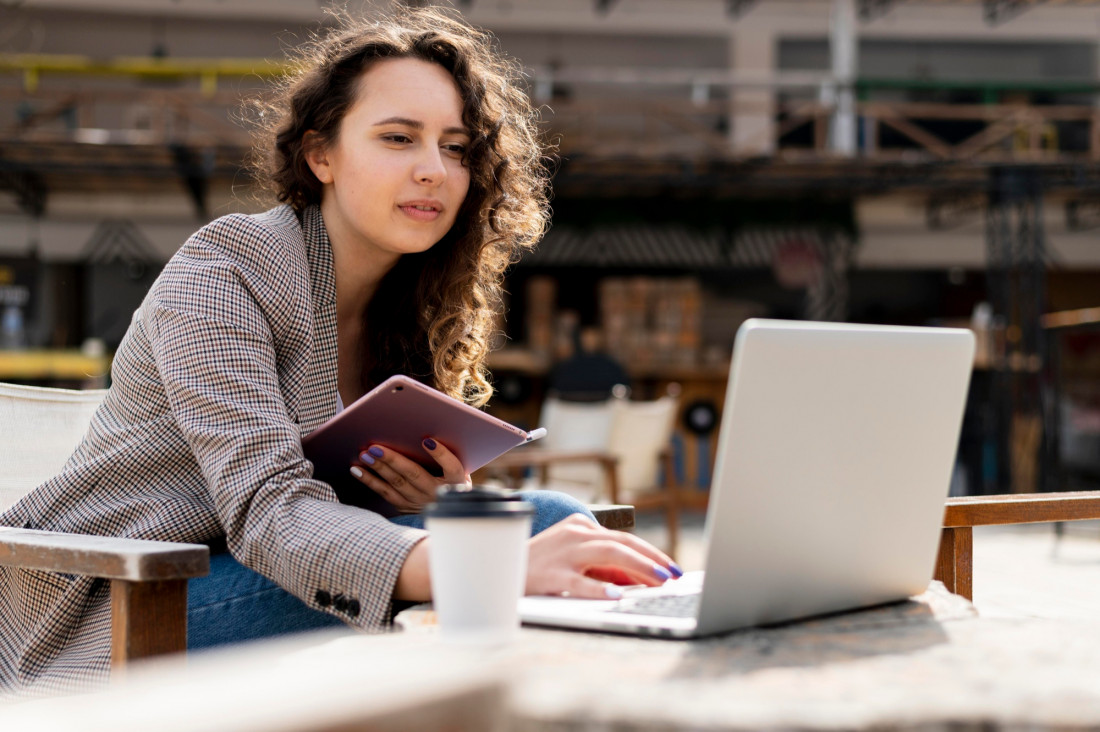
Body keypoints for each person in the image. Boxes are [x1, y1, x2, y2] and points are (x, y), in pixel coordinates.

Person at [0, 6, 680, 695]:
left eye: (456, 147)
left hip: (280, 575)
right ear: (320, 154)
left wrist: (448, 502)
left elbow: (361, 508)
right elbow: (271, 510)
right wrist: (472, 561)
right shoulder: (221, 274)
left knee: (540, 524)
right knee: (540, 529)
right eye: (398, 138)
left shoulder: (408, 305)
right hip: (122, 606)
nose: (433, 170)